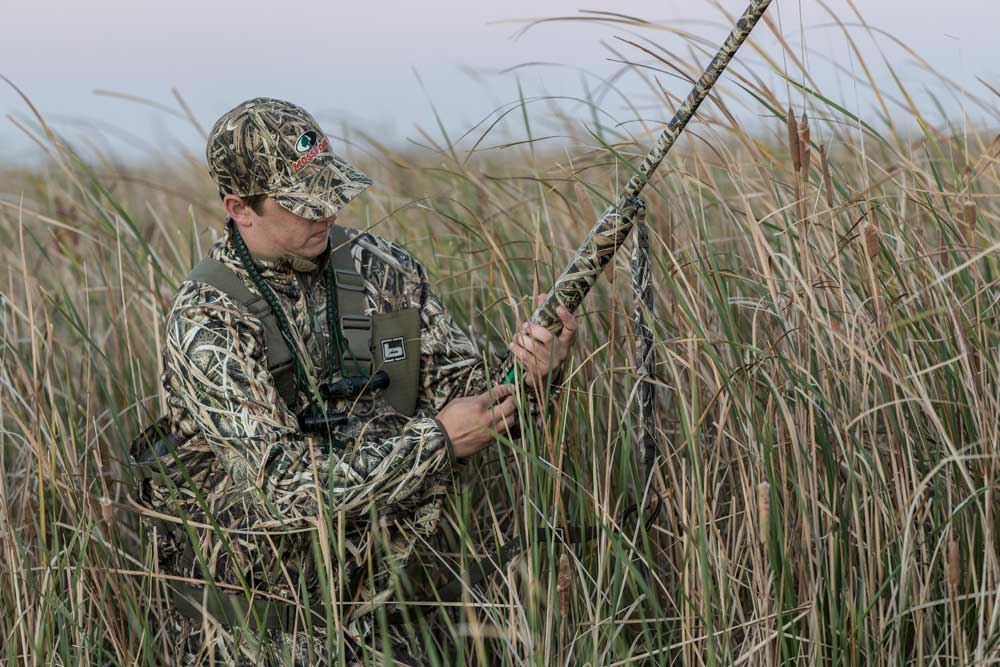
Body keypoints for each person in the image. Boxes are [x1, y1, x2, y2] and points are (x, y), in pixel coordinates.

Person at [129, 97, 578, 666]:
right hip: (254, 629)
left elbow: (470, 399)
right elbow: (285, 487)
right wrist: (436, 441)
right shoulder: (208, 319)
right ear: (240, 208)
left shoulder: (381, 268)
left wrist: (535, 372)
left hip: (384, 612)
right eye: (302, 204)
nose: (327, 215)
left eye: (331, 194)